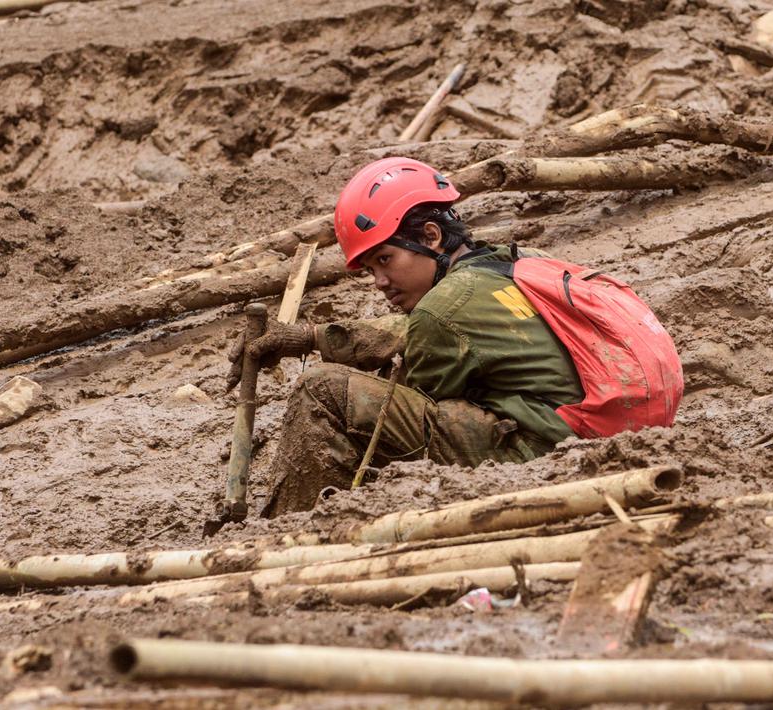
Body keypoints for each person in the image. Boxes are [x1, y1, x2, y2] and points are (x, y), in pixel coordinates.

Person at [229, 157, 680, 516]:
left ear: (430, 236)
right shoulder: (513, 263)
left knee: (322, 391)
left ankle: (294, 525)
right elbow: (421, 331)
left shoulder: (441, 310)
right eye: (369, 269)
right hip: (610, 431)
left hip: (548, 455)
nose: (379, 282)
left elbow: (413, 383)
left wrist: (333, 364)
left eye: (385, 260)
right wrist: (308, 337)